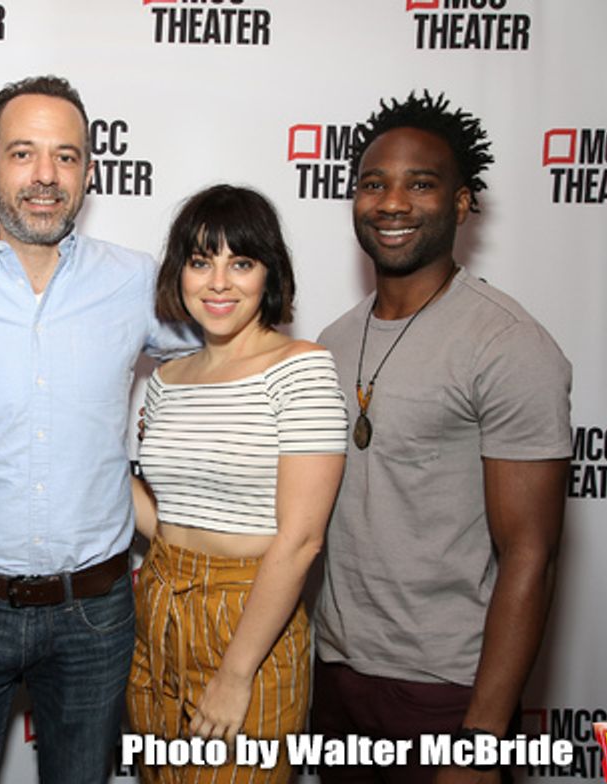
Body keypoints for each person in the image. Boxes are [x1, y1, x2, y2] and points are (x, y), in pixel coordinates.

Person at [0, 75, 198, 784]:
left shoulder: (135, 281)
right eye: (23, 154)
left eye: (66, 156)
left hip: (96, 613)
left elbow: (229, 331)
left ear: (89, 171)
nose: (44, 177)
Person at [311, 92, 572, 784]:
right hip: (335, 681)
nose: (392, 203)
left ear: (461, 204)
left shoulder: (507, 344)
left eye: (420, 184)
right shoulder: (333, 342)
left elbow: (531, 553)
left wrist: (482, 737)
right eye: (374, 184)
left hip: (447, 692)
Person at [127, 184, 348, 783]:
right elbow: (166, 516)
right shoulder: (166, 378)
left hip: (249, 620)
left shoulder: (301, 368)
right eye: (201, 262)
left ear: (268, 273)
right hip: (159, 606)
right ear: (181, 273)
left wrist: (235, 673)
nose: (219, 282)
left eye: (240, 262)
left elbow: (301, 540)